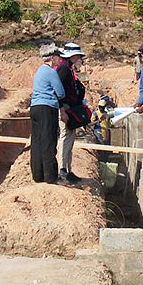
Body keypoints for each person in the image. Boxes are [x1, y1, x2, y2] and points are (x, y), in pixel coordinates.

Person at [30, 43, 68, 184]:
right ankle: (51, 177)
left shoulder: (39, 71)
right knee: (48, 141)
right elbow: (60, 92)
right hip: (47, 108)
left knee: (37, 141)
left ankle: (38, 175)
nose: (60, 60)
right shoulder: (51, 72)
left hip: (35, 107)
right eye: (58, 57)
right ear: (52, 58)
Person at [55, 42, 86, 183]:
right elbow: (57, 91)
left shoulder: (68, 68)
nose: (79, 58)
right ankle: (62, 170)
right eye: (77, 56)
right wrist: (62, 110)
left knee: (70, 138)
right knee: (65, 136)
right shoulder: (63, 69)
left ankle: (68, 169)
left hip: (69, 107)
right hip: (65, 108)